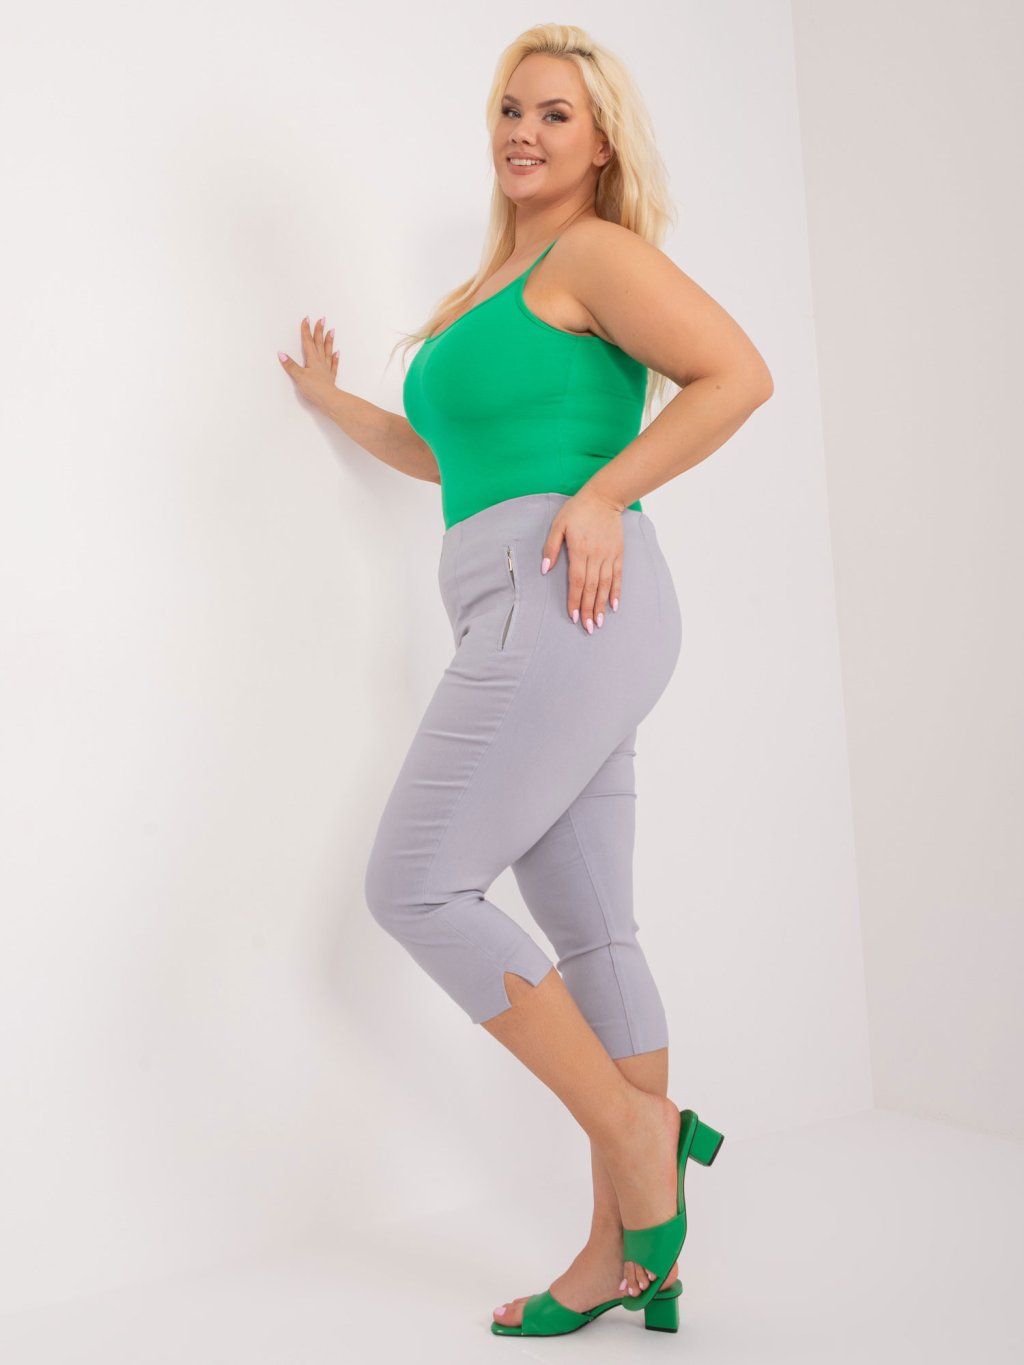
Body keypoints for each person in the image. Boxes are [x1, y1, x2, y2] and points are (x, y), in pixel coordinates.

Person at [278, 23, 772, 1338]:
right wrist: (332, 402)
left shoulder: (593, 254)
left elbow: (738, 376)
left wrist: (605, 493)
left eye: (556, 113)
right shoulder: (492, 290)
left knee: (413, 884)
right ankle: (628, 1256)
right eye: (512, 107)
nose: (525, 131)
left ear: (601, 143)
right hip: (532, 607)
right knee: (594, 931)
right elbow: (449, 455)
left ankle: (639, 1135)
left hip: (570, 596)